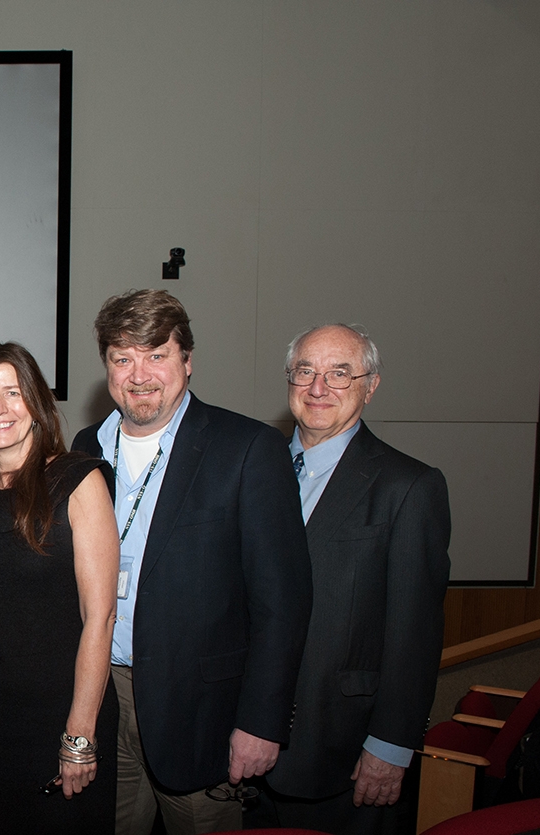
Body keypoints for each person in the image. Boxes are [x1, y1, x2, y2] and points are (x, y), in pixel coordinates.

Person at [70, 289, 312, 835]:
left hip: (202, 711)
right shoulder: (87, 448)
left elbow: (284, 602)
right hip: (104, 693)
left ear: (187, 360)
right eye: (122, 357)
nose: (140, 373)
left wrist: (261, 722)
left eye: (157, 353)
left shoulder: (246, 448)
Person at [253, 325, 450, 835]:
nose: (319, 388)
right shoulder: (252, 468)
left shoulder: (408, 487)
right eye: (305, 371)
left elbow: (415, 632)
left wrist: (390, 746)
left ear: (371, 385)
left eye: (341, 373)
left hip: (337, 749)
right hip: (240, 743)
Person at [0, 342, 120, 833]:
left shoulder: (78, 480)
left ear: (36, 401)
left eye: (12, 392)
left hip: (61, 716)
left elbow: (99, 619)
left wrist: (79, 735)